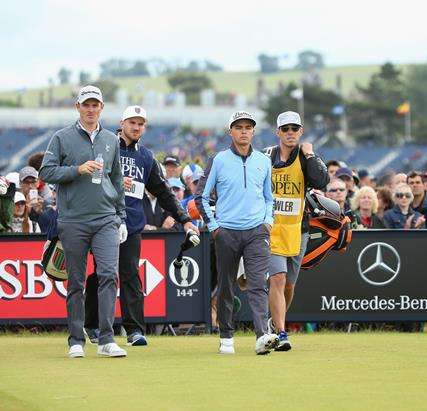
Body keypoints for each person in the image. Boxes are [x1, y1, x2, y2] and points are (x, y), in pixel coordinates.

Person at [84, 106, 197, 347]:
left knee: (130, 274)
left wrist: (184, 218)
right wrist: (110, 180)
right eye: (132, 122)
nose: (136, 127)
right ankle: (92, 324)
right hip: (103, 220)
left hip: (132, 224)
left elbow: (164, 193)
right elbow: (90, 179)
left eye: (141, 124)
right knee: (101, 274)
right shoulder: (104, 145)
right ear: (122, 123)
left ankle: (134, 330)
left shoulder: (146, 157)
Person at [39, 85, 128, 358]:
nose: (91, 109)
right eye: (86, 105)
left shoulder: (112, 139)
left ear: (102, 108)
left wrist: (121, 216)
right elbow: (47, 171)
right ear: (78, 107)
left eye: (95, 105)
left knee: (108, 277)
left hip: (105, 219)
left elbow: (116, 180)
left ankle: (106, 339)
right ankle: (76, 340)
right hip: (73, 220)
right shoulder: (61, 137)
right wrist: (77, 169)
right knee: (76, 282)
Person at [195, 110, 279, 355]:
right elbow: (201, 196)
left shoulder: (263, 161)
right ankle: (226, 337)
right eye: (239, 127)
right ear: (230, 131)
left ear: (253, 131)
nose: (243, 131)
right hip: (227, 232)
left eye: (248, 127)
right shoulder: (218, 159)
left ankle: (262, 335)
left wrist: (267, 220)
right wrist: (214, 227)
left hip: (257, 232)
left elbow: (268, 197)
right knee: (226, 286)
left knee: (257, 285)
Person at [263, 111, 329, 350]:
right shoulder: (266, 156)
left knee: (289, 284)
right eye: (285, 129)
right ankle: (281, 333)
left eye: (294, 129)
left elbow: (321, 181)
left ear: (301, 131)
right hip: (270, 228)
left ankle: (275, 320)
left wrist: (310, 154)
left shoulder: (306, 156)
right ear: (278, 132)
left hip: (297, 229)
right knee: (277, 279)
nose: (290, 133)